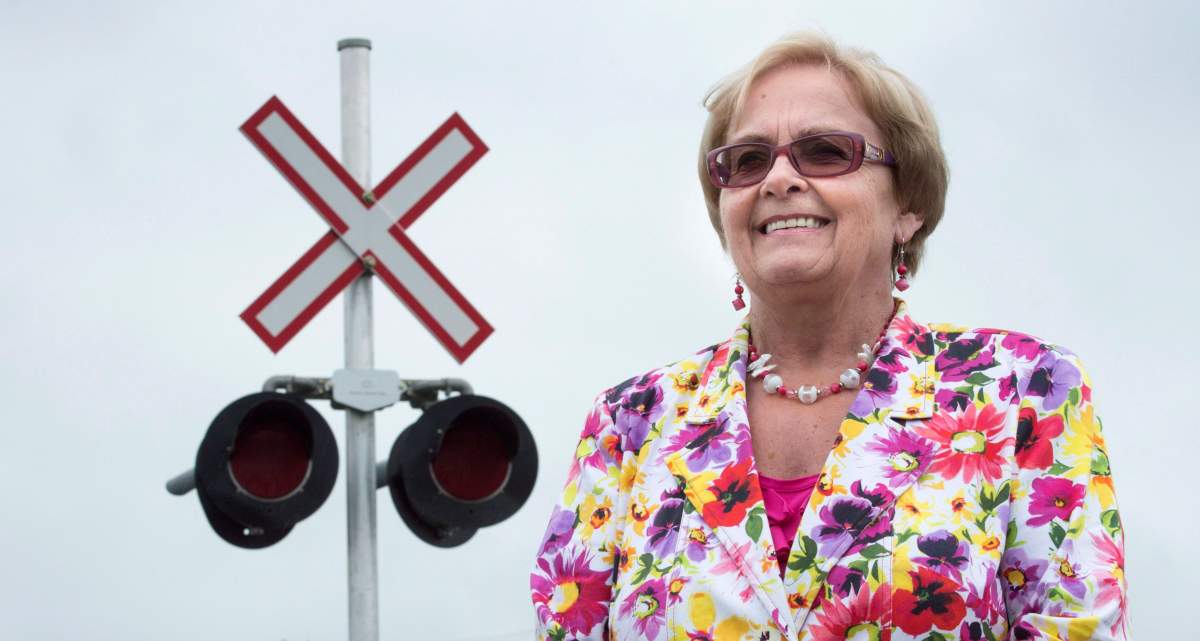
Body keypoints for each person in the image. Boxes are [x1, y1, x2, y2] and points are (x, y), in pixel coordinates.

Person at [530, 31, 1127, 641]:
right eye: (748, 160)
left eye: (823, 152)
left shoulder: (1026, 387)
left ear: (908, 205)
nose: (779, 178)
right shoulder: (629, 422)